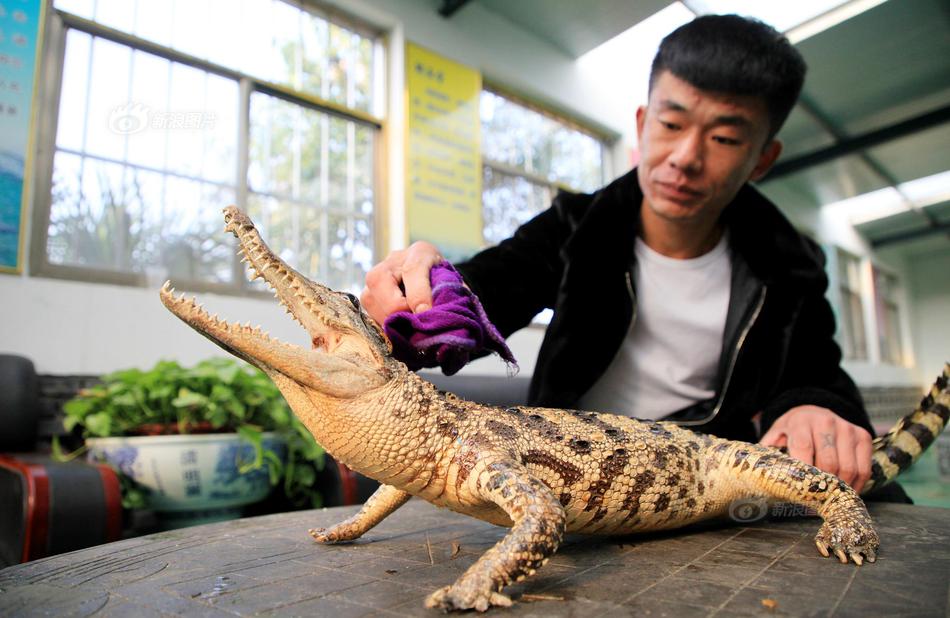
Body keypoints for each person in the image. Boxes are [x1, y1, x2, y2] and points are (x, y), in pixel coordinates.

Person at [362, 15, 901, 499]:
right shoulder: (576, 229)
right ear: (643, 124)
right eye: (671, 124)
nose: (685, 158)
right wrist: (424, 295)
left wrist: (810, 405)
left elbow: (818, 372)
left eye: (724, 138)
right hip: (568, 476)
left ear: (763, 159)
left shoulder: (790, 266)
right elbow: (492, 289)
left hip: (699, 488)